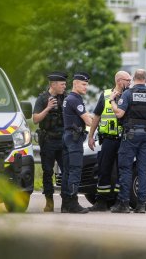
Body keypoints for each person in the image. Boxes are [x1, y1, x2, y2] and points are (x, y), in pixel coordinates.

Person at [109, 69, 146, 213]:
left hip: (130, 136)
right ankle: (141, 205)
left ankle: (124, 204)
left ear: (133, 79)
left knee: (126, 169)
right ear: (145, 79)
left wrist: (112, 101)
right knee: (143, 170)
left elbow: (119, 113)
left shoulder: (128, 94)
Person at [87, 71, 132, 211]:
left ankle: (119, 201)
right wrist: (90, 136)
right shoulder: (106, 95)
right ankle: (101, 202)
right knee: (103, 169)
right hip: (108, 139)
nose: (130, 83)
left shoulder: (130, 95)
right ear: (119, 81)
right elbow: (96, 116)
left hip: (124, 139)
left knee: (122, 170)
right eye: (127, 80)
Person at [33, 71, 67, 212]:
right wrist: (47, 108)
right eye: (62, 84)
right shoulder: (42, 99)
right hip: (48, 140)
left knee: (66, 171)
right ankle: (49, 202)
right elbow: (35, 119)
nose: (64, 86)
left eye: (65, 84)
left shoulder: (65, 97)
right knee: (47, 172)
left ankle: (66, 202)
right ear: (53, 84)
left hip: (63, 139)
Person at [61, 72, 92, 214]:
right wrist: (97, 121)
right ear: (75, 84)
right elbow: (88, 121)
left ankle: (66, 204)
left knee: (67, 171)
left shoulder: (69, 98)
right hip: (74, 139)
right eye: (84, 84)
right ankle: (73, 203)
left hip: (68, 137)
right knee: (75, 170)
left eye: (87, 84)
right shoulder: (75, 99)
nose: (86, 87)